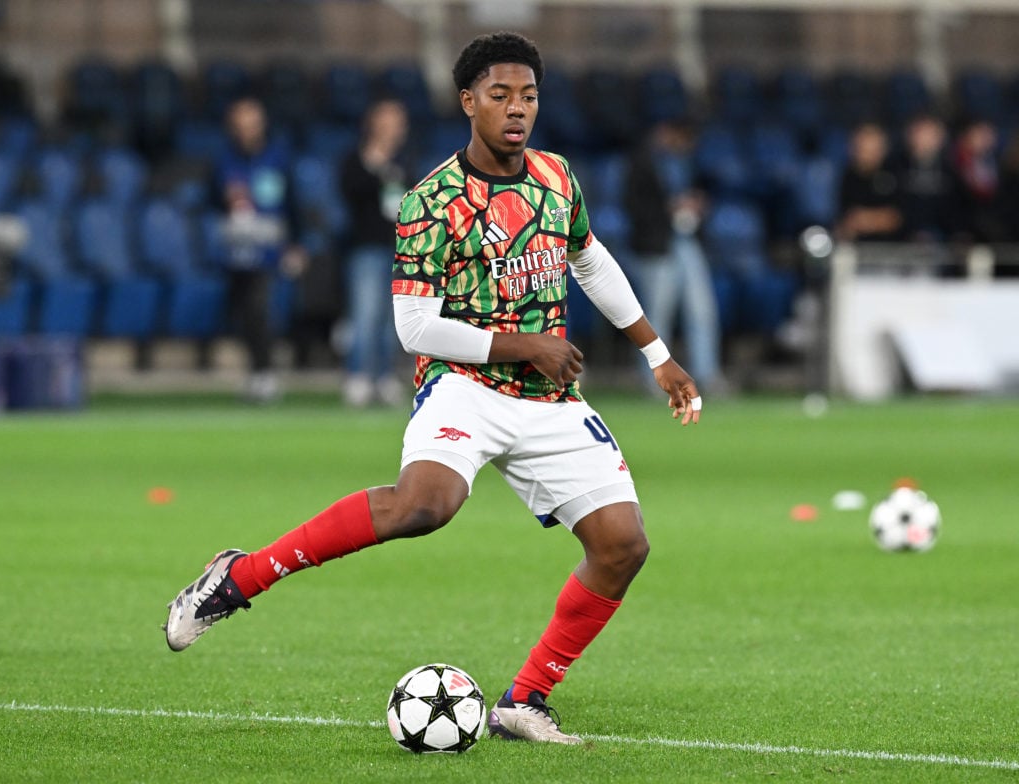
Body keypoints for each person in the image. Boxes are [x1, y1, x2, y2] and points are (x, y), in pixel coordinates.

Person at [164, 33, 701, 745]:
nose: (517, 110)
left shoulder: (556, 176)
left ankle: (525, 700)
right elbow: (415, 327)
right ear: (468, 101)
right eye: (501, 95)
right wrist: (526, 344)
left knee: (622, 545)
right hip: (464, 385)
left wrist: (656, 354)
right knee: (424, 507)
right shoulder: (431, 200)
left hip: (546, 399)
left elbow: (589, 260)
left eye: (529, 96)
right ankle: (239, 578)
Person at [623, 119, 725, 394]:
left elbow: (706, 192)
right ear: (665, 131)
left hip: (686, 241)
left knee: (702, 311)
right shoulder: (641, 163)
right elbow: (633, 208)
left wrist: (695, 205)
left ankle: (707, 374)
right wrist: (666, 210)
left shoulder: (687, 163)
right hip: (656, 246)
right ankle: (655, 380)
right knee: (657, 316)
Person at [215, 96, 306, 403]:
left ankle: (265, 373)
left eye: (252, 123)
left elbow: (293, 205)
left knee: (260, 309)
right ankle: (255, 371)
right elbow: (208, 202)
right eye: (241, 124)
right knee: (242, 314)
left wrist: (296, 244)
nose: (247, 130)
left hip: (268, 251)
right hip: (234, 251)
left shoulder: (278, 159)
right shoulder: (224, 160)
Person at [339, 98, 412, 406]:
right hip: (366, 248)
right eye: (386, 121)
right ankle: (358, 375)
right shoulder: (356, 160)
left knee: (393, 320)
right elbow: (352, 191)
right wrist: (377, 167)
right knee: (365, 315)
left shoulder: (406, 162)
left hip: (400, 251)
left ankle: (384, 376)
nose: (391, 128)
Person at [891, 113, 956, 243]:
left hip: (942, 241)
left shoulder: (951, 171)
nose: (925, 139)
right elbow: (894, 209)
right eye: (921, 133)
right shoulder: (894, 167)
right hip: (901, 240)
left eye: (931, 134)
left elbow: (954, 210)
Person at [835, 121, 903, 243]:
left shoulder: (897, 173)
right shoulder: (846, 176)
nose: (866, 155)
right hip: (856, 249)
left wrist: (866, 220)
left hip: (892, 248)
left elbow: (897, 218)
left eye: (872, 149)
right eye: (862, 148)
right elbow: (844, 221)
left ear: (883, 149)